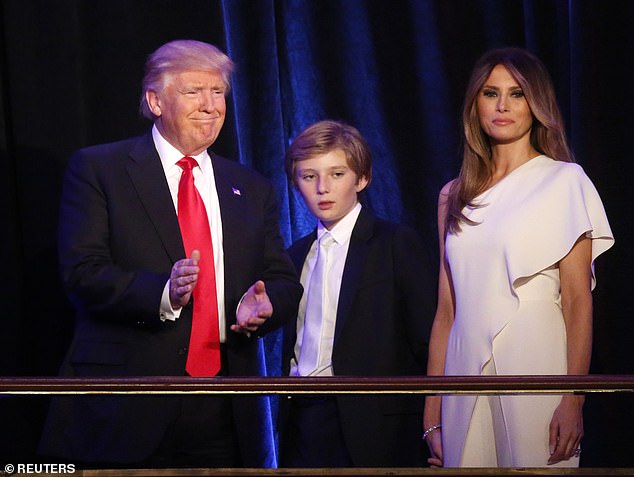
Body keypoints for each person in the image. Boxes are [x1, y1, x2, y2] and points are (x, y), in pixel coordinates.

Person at [38, 40, 302, 468]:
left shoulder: (250, 187)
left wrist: (267, 303)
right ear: (155, 101)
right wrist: (163, 293)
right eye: (193, 91)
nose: (210, 105)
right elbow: (82, 274)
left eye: (218, 92)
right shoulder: (100, 170)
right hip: (130, 399)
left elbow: (285, 281)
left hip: (226, 405)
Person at [423, 47, 614, 468]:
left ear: (536, 103)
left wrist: (573, 398)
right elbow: (446, 311)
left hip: (536, 359)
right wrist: (432, 406)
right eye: (491, 93)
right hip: (462, 365)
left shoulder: (564, 181)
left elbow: (579, 300)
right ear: (476, 104)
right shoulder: (452, 197)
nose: (503, 105)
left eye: (517, 93)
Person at [278, 119, 434, 467]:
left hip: (374, 423)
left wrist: (436, 421)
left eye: (336, 174)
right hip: (304, 418)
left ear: (361, 179)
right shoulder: (294, 255)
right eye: (309, 176)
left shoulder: (394, 244)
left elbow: (427, 341)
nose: (322, 188)